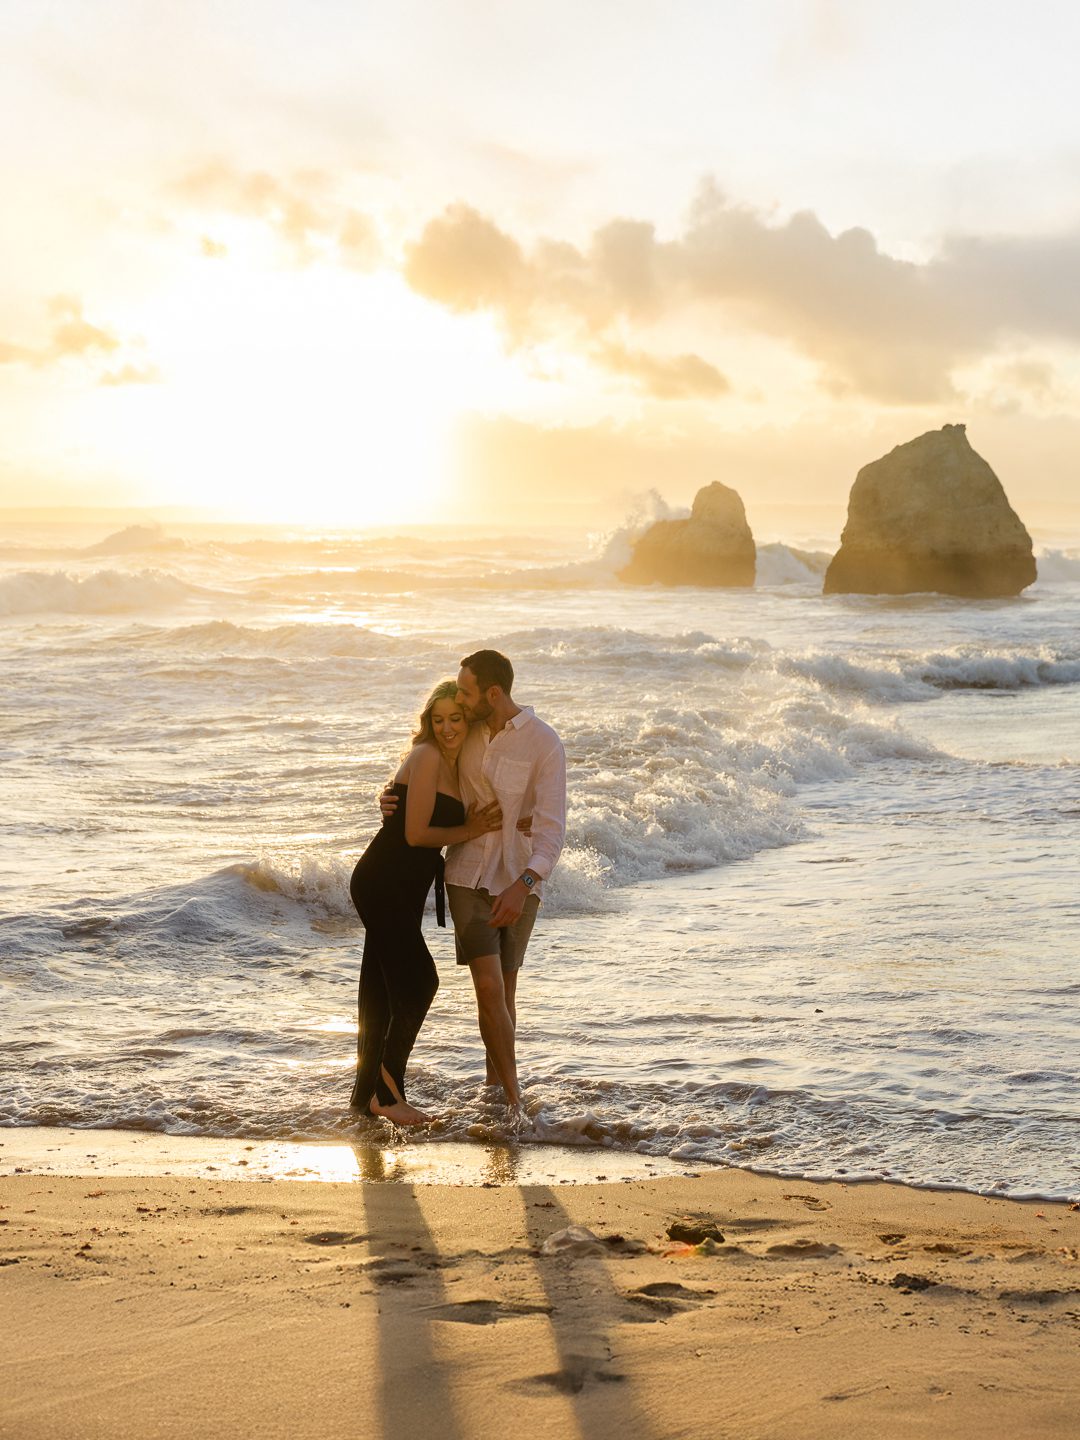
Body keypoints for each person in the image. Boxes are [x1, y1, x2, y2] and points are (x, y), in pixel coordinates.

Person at [381, 649, 567, 1114]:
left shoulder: (545, 744)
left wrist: (523, 884)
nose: (459, 700)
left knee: (504, 990)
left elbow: (551, 832)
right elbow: (424, 765)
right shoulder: (465, 732)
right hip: (465, 875)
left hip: (518, 879)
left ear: (493, 693)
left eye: (466, 691)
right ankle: (516, 1101)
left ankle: (494, 1090)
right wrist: (390, 797)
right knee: (487, 986)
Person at [349, 679, 502, 1126]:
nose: (448, 727)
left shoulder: (458, 763)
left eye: (456, 718)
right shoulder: (429, 755)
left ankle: (365, 1101)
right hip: (384, 882)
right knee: (420, 983)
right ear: (428, 722)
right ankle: (387, 1093)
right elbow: (415, 835)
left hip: (401, 886)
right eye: (438, 720)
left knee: (380, 995)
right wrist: (470, 830)